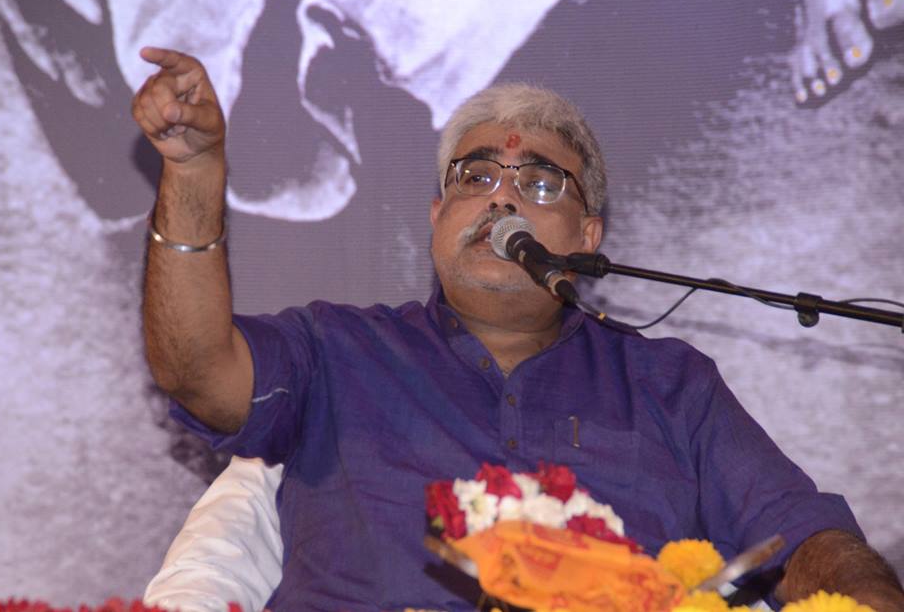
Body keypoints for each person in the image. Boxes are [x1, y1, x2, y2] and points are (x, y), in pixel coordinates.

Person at [131, 46, 904, 611]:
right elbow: (197, 369)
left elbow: (804, 536)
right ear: (438, 215)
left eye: (538, 182)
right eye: (476, 176)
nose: (500, 199)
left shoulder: (670, 385)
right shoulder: (337, 350)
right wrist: (194, 174)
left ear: (589, 234)